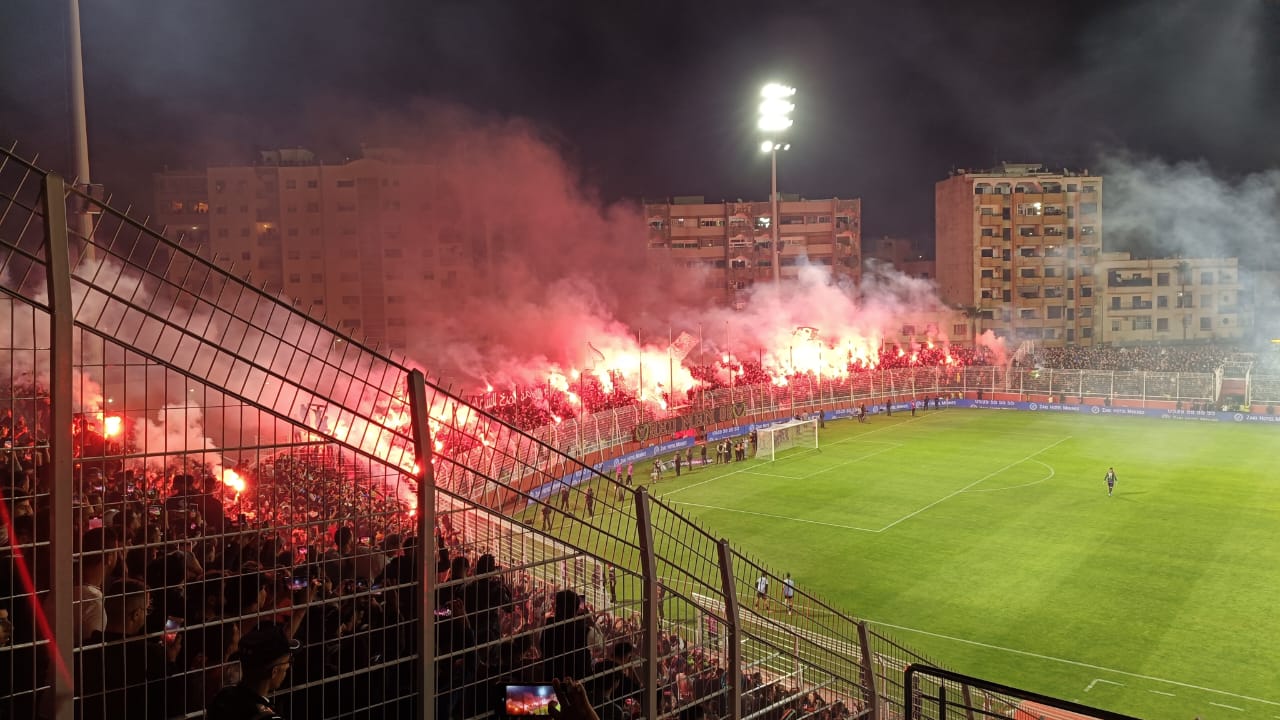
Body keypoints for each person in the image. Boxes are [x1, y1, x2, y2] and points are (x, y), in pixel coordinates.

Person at [206, 626, 299, 720]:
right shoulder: (265, 716)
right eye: (288, 662)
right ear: (274, 672)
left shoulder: (222, 698)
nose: (288, 667)